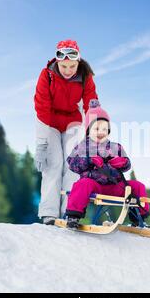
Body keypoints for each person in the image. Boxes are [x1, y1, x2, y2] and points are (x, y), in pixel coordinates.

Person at [34, 39, 99, 225]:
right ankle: (49, 213)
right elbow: (42, 110)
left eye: (72, 66)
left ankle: (70, 212)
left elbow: (91, 105)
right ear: (57, 62)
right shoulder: (47, 75)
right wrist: (42, 144)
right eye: (64, 66)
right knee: (53, 164)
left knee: (72, 165)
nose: (68, 70)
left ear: (78, 63)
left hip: (73, 121)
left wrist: (92, 137)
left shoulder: (85, 77)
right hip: (50, 122)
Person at [64, 103, 150, 229]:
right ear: (88, 130)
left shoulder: (116, 147)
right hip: (95, 185)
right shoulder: (82, 147)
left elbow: (127, 165)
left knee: (137, 186)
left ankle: (138, 219)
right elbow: (72, 164)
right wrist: (89, 160)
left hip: (115, 185)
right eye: (97, 129)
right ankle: (73, 216)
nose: (101, 132)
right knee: (82, 184)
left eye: (104, 129)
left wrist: (123, 163)